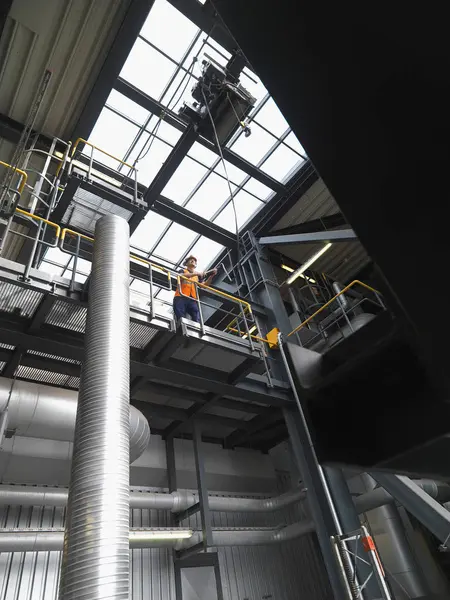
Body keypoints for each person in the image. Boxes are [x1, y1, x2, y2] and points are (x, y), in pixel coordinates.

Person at [173, 255, 217, 323]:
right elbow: (181, 276)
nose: (193, 261)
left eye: (194, 260)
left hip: (192, 299)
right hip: (180, 296)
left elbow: (204, 286)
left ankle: (197, 330)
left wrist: (211, 276)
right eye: (190, 260)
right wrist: (196, 273)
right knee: (180, 316)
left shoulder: (197, 275)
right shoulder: (183, 271)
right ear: (186, 263)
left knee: (196, 317)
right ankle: (182, 327)